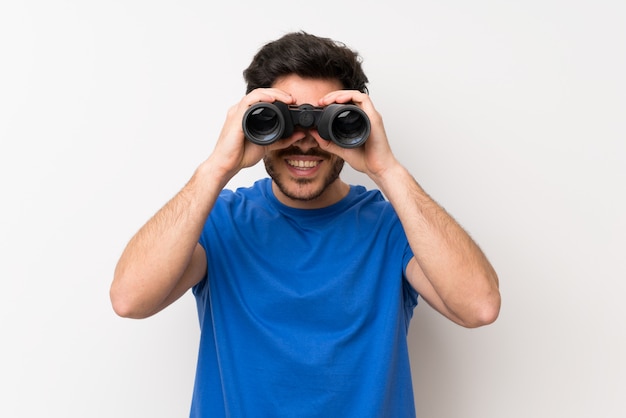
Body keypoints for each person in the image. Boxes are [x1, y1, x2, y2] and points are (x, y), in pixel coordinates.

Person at [110, 31, 501, 417]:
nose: (305, 141)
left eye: (323, 121)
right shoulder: (219, 221)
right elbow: (129, 300)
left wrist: (387, 169)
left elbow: (479, 307)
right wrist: (217, 167)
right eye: (286, 119)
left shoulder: (392, 227)